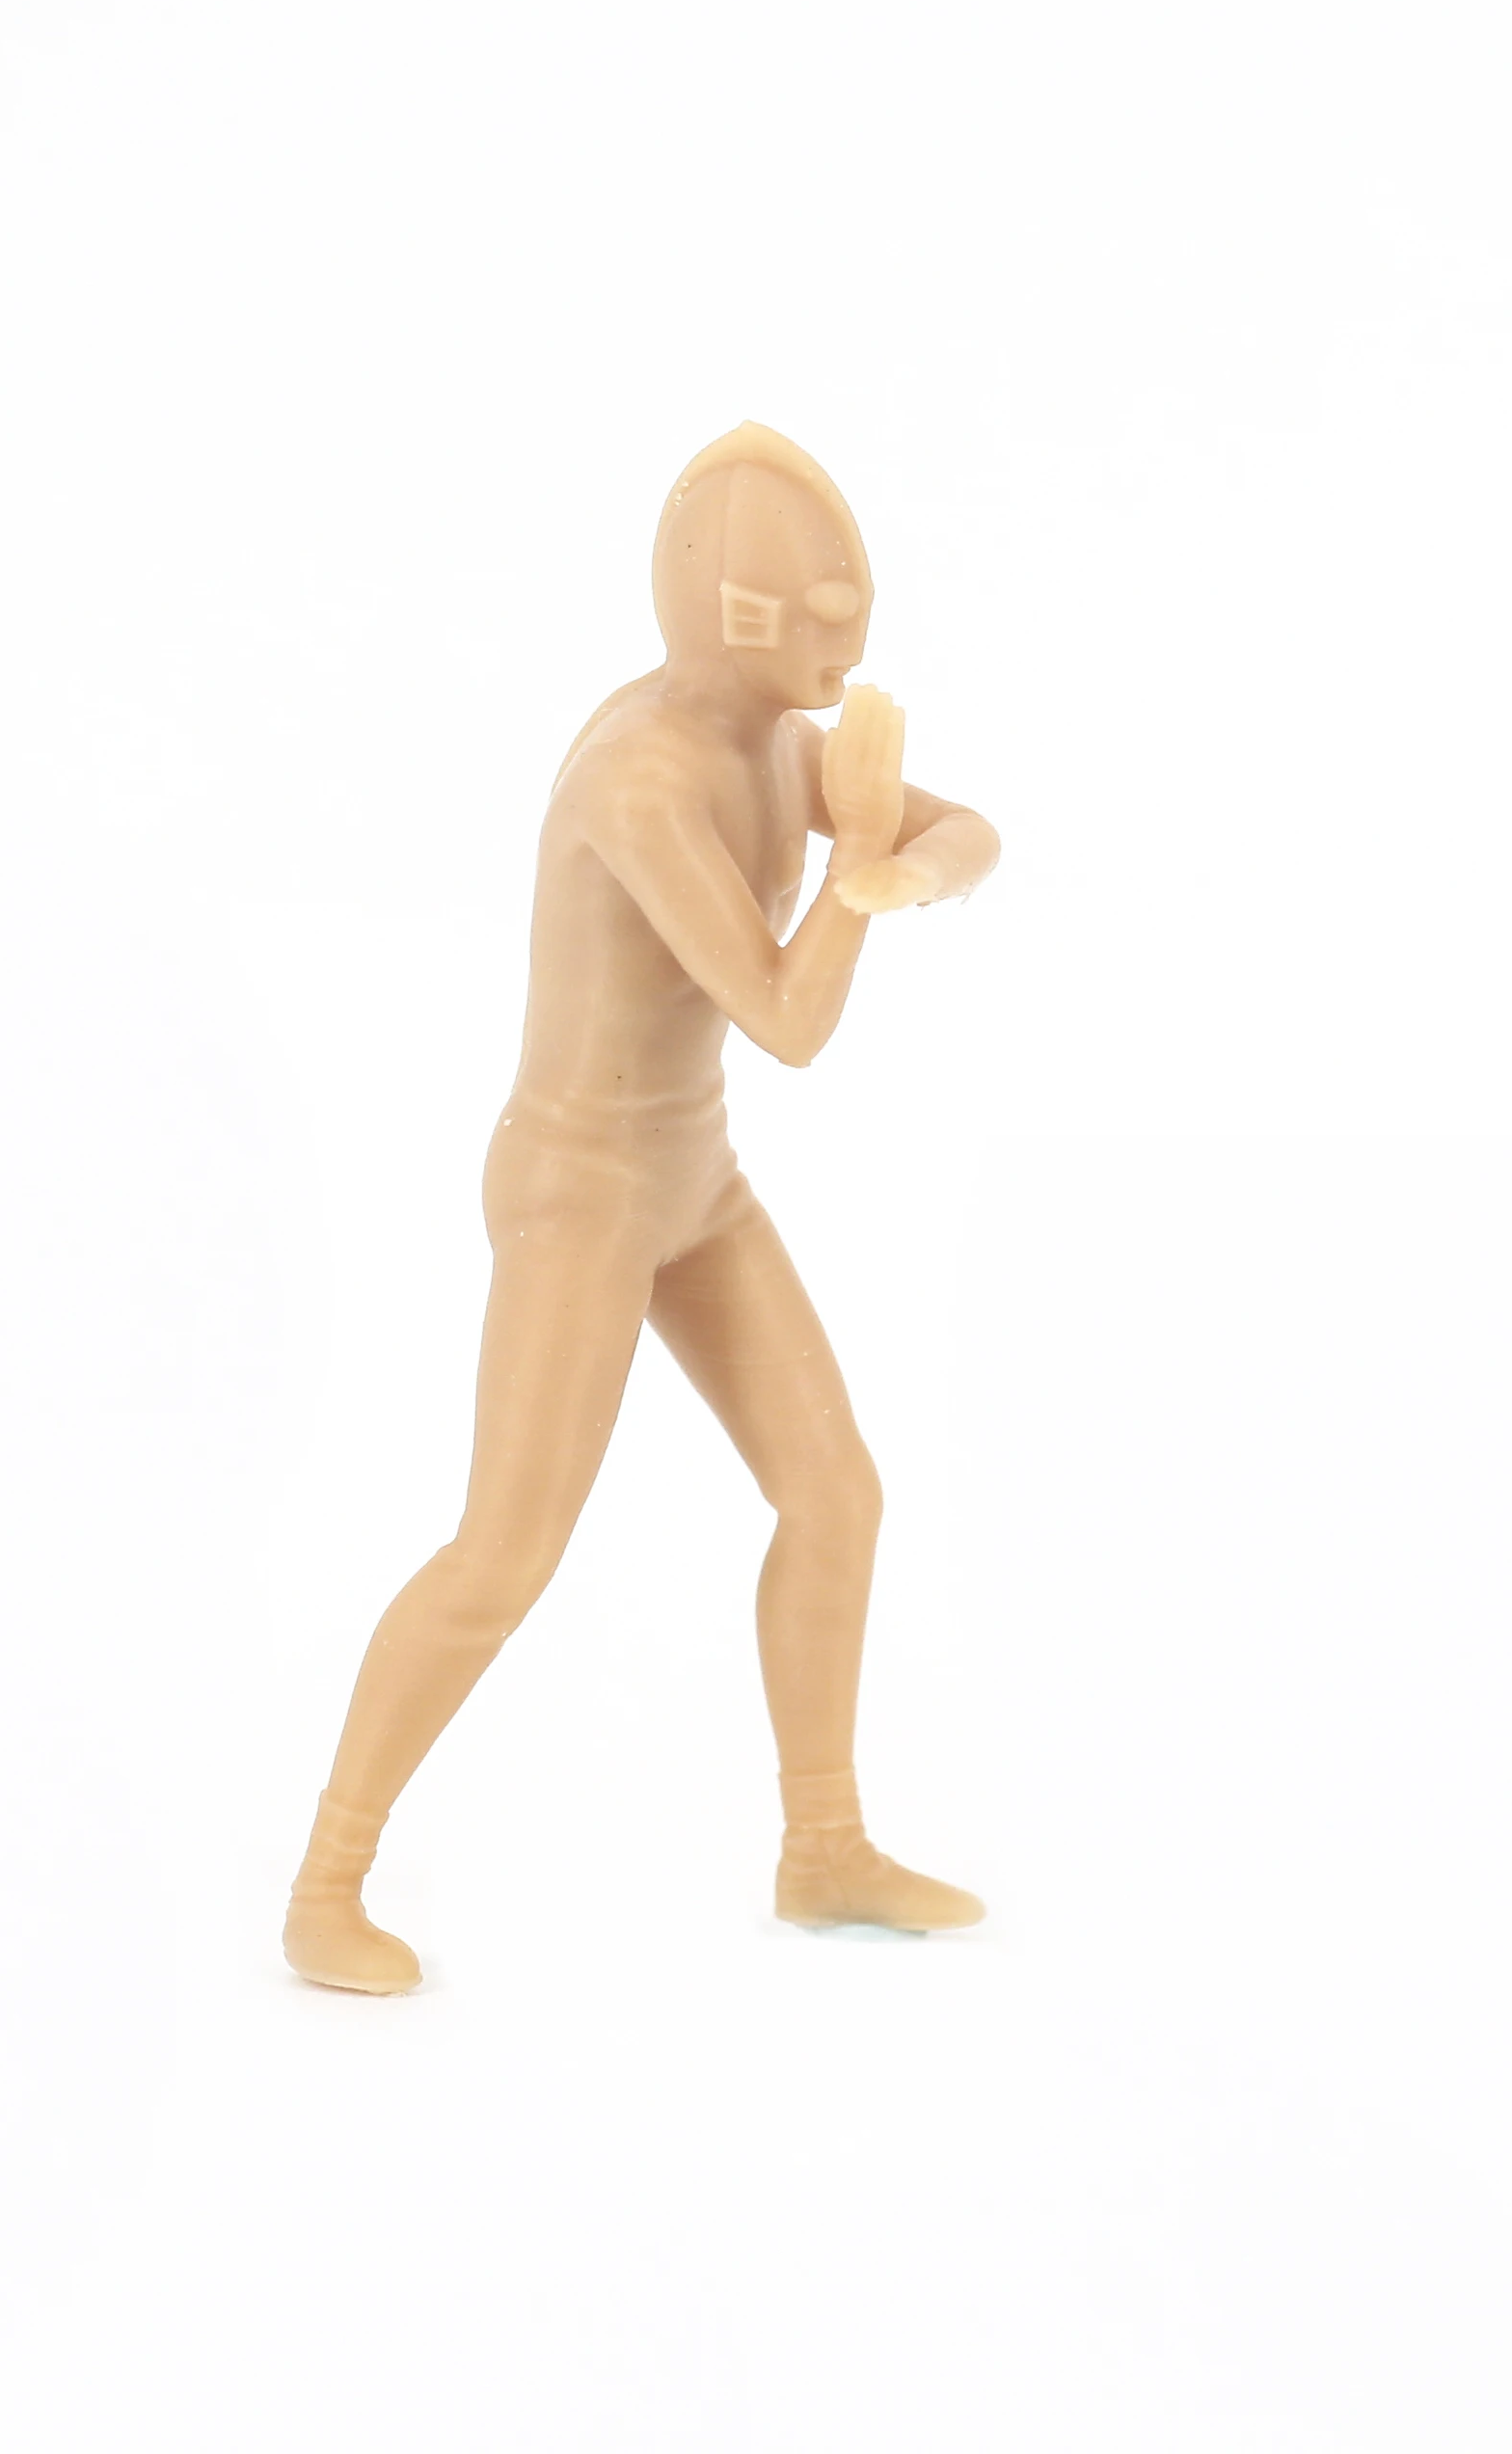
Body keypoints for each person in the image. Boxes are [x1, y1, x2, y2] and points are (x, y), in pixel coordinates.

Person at [284, 421, 1002, 1992]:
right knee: (504, 1552)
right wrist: (867, 869)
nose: (845, 646)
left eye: (855, 609)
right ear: (732, 615)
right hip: (579, 1194)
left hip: (694, 1178)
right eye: (816, 616)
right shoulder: (644, 775)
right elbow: (788, 1018)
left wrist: (911, 859)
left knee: (837, 1496)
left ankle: (824, 1848)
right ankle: (325, 1884)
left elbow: (974, 835)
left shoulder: (779, 746)